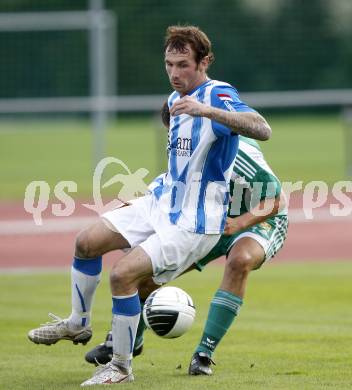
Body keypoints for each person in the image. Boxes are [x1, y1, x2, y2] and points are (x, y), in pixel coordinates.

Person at [28, 25, 271, 386]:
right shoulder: (174, 101)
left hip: (194, 222)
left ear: (204, 61)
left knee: (123, 275)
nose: (175, 73)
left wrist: (209, 111)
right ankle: (78, 322)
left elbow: (262, 127)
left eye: (183, 64)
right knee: (86, 242)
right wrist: (152, 191)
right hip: (162, 203)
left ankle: (121, 367)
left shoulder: (217, 95)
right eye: (169, 64)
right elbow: (182, 164)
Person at [85, 102, 288, 376]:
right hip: (209, 221)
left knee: (240, 260)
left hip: (259, 217)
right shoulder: (182, 153)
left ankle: (204, 353)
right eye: (172, 133)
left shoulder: (234, 153)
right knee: (146, 275)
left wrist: (238, 223)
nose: (175, 140)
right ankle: (130, 342)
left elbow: (277, 199)